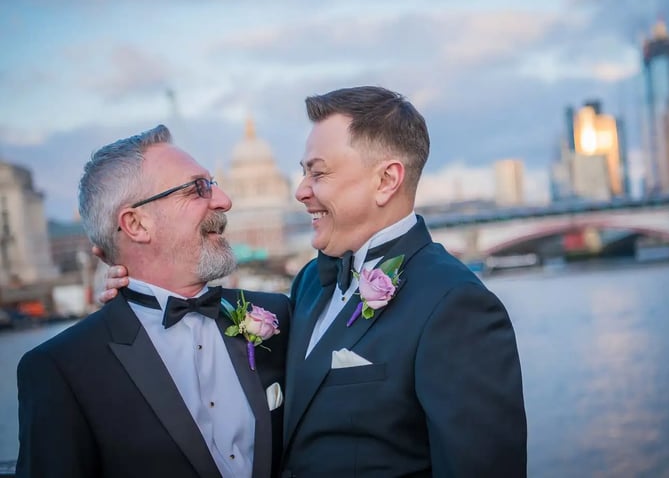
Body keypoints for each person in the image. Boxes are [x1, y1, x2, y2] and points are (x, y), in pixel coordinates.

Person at [100, 87, 527, 477]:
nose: (301, 191)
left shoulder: (456, 305)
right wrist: (142, 289)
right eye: (303, 173)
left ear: (387, 180)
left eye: (318, 174)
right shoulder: (309, 282)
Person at [17, 125, 290, 478]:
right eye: (198, 189)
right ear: (136, 224)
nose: (225, 201)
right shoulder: (61, 368)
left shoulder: (278, 315)